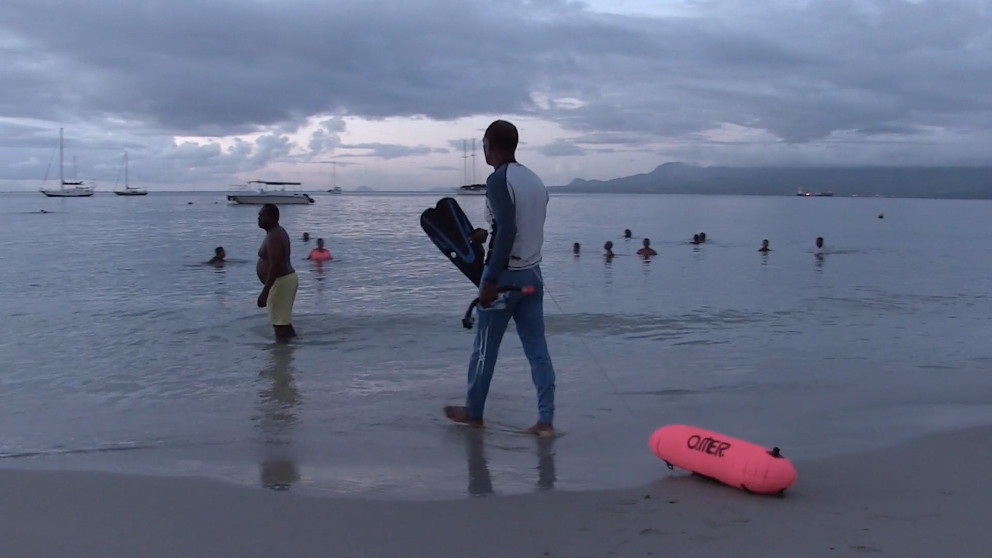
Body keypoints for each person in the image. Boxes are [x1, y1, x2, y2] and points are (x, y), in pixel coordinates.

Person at [443, 120, 556, 437]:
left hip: (505, 278)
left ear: (489, 145)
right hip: (533, 276)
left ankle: (474, 413)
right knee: (537, 349)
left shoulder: (498, 179)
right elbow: (514, 225)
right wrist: (486, 233)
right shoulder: (534, 180)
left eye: (484, 146)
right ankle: (545, 420)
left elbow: (508, 229)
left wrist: (490, 278)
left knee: (484, 348)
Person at [256, 204, 298, 341]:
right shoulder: (275, 232)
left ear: (272, 217)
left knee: (279, 324)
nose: (258, 218)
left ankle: (281, 357)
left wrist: (265, 291)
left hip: (281, 281)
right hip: (282, 281)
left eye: (261, 215)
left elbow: (276, 264)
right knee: (282, 321)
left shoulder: (274, 235)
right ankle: (289, 350)